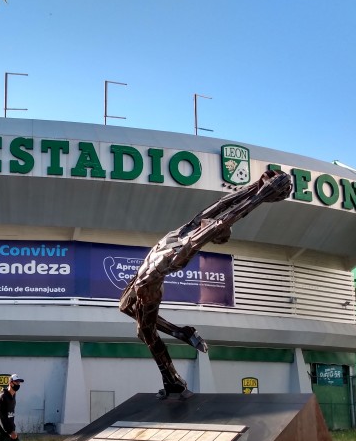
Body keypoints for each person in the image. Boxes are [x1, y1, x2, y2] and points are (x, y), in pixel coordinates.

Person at [119, 170, 292, 400]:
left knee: (145, 333)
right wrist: (254, 185)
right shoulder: (184, 230)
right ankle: (182, 332)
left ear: (214, 232)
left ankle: (174, 382)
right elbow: (223, 204)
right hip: (140, 279)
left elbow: (230, 215)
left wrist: (261, 196)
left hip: (148, 290)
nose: (209, 221)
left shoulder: (188, 246)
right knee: (124, 307)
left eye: (214, 228)